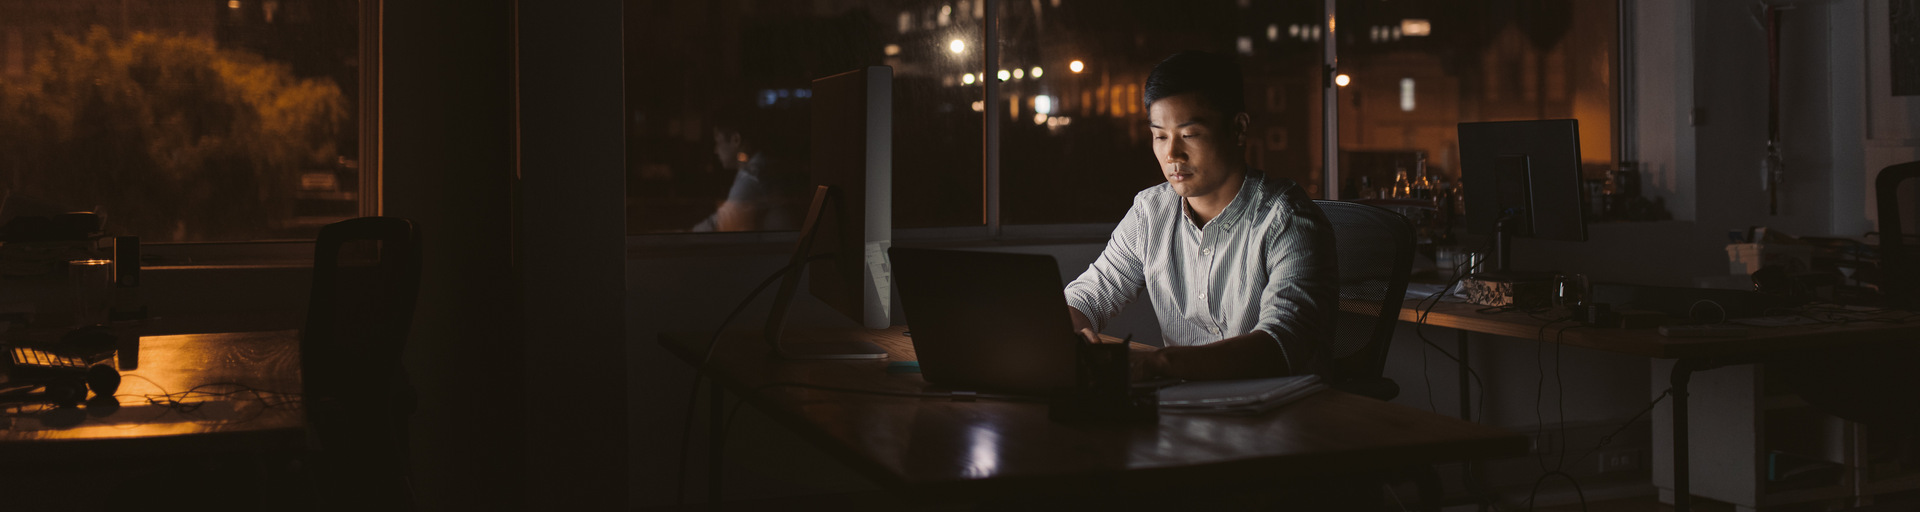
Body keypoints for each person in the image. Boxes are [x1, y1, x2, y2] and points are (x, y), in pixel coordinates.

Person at [1064, 51, 1338, 382]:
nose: (1172, 154)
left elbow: (1281, 345)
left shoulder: (1287, 220)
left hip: (1283, 412)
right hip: (1186, 408)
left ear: (1238, 129)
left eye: (1189, 135)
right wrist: (1068, 340)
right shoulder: (1151, 212)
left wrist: (1155, 365)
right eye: (1160, 136)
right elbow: (1088, 297)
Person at [690, 112, 802, 232]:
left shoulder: (754, 175)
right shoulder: (760, 168)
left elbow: (721, 223)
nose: (715, 150)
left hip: (782, 249)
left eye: (718, 142)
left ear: (736, 139)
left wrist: (686, 236)